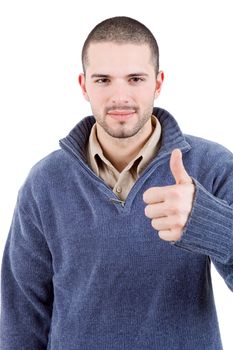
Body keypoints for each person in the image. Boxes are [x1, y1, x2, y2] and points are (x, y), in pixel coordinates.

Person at [1, 16, 233, 350]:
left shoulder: (211, 166)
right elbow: (21, 317)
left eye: (135, 78)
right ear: (84, 85)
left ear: (158, 83)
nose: (119, 96)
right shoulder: (44, 183)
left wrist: (208, 221)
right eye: (104, 80)